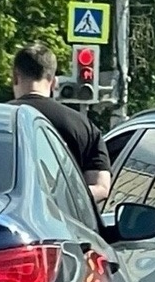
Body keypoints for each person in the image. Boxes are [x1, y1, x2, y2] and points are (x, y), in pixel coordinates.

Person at [10, 43, 112, 202]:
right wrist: (60, 203)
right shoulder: (82, 126)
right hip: (65, 225)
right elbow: (101, 188)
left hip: (5, 218)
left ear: (15, 77)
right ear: (54, 82)